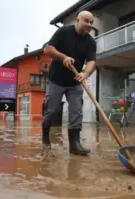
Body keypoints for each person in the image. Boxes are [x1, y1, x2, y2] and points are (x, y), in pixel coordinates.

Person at [42, 10, 97, 156]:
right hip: (56, 80)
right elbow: (48, 49)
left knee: (76, 112)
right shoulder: (63, 32)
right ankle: (45, 138)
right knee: (51, 111)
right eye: (86, 21)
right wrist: (63, 57)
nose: (89, 24)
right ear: (77, 20)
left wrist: (85, 73)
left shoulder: (91, 42)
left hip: (74, 82)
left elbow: (92, 62)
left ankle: (75, 145)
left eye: (91, 22)